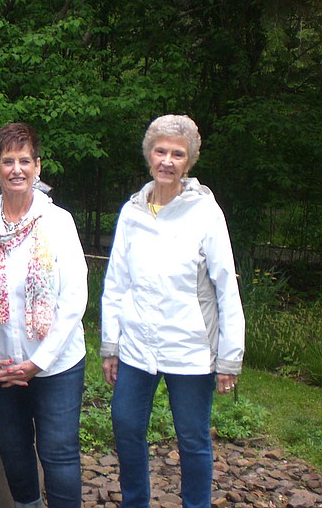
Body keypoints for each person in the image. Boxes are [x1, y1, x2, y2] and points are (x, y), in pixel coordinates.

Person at [100, 114, 245, 508]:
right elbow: (116, 282)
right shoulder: (132, 212)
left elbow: (226, 286)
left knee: (193, 437)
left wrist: (230, 357)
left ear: (189, 161)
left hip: (190, 349)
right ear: (149, 155)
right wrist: (110, 345)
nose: (167, 160)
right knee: (127, 426)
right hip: (136, 347)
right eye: (160, 151)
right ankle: (136, 501)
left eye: (177, 154)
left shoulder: (205, 213)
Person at [0, 123, 88, 508]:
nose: (16, 169)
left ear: (37, 166)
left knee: (58, 451)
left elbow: (74, 297)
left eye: (24, 160)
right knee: (14, 446)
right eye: (7, 161)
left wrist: (39, 361)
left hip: (57, 364)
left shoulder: (58, 222)